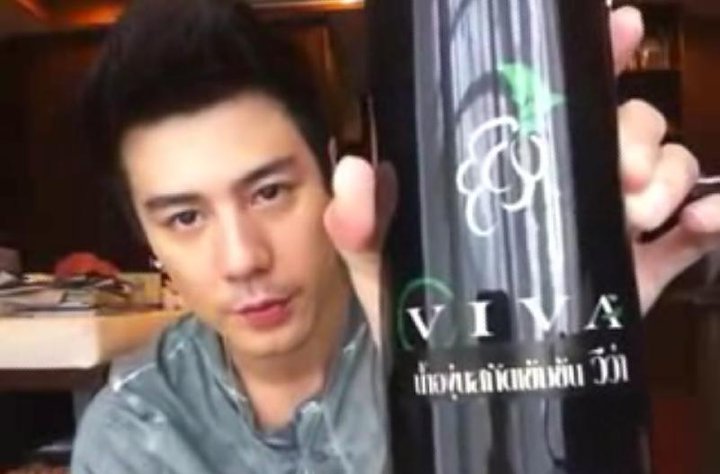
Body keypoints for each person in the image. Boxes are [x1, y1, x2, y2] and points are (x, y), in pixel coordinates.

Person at [70, 0, 720, 473]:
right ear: (146, 236)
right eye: (185, 218)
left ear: (331, 169)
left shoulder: (467, 354)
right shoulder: (132, 436)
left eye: (269, 192)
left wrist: (558, 376)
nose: (243, 258)